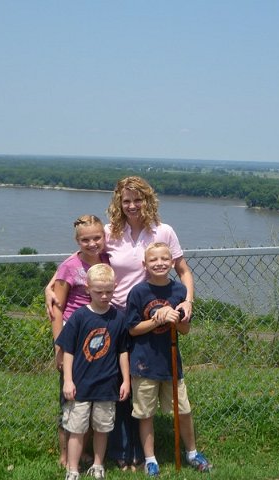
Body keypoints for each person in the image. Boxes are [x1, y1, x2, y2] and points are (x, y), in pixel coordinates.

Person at [46, 176, 195, 470]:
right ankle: (119, 452)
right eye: (126, 200)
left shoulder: (164, 231)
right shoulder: (111, 231)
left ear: (148, 200)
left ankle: (137, 453)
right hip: (112, 316)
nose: (132, 206)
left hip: (149, 316)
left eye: (138, 199)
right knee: (114, 384)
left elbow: (183, 270)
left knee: (137, 385)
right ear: (119, 202)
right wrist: (52, 282)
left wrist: (187, 301)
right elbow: (81, 254)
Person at [126, 242, 211, 476]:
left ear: (172, 263)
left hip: (171, 363)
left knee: (183, 409)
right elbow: (132, 329)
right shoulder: (138, 292)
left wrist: (177, 318)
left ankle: (192, 452)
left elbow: (185, 330)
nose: (159, 263)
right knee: (146, 413)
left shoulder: (179, 292)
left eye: (164, 259)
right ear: (144, 264)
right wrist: (157, 319)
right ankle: (150, 459)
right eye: (153, 260)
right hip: (144, 364)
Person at [55, 263, 131, 480]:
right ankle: (72, 468)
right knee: (77, 429)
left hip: (107, 386)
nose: (104, 296)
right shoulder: (79, 317)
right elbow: (68, 351)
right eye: (99, 292)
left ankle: (98, 465)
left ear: (115, 287)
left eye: (109, 291)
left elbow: (123, 352)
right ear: (87, 289)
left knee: (102, 428)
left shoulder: (118, 318)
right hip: (80, 385)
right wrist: (68, 381)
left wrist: (125, 380)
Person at [49, 214, 109, 467]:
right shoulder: (70, 267)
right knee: (71, 397)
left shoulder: (106, 260)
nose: (92, 243)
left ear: (104, 237)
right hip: (73, 339)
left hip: (100, 337)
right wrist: (59, 346)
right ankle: (65, 455)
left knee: (94, 394)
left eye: (97, 238)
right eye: (86, 240)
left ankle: (84, 451)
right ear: (77, 241)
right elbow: (57, 309)